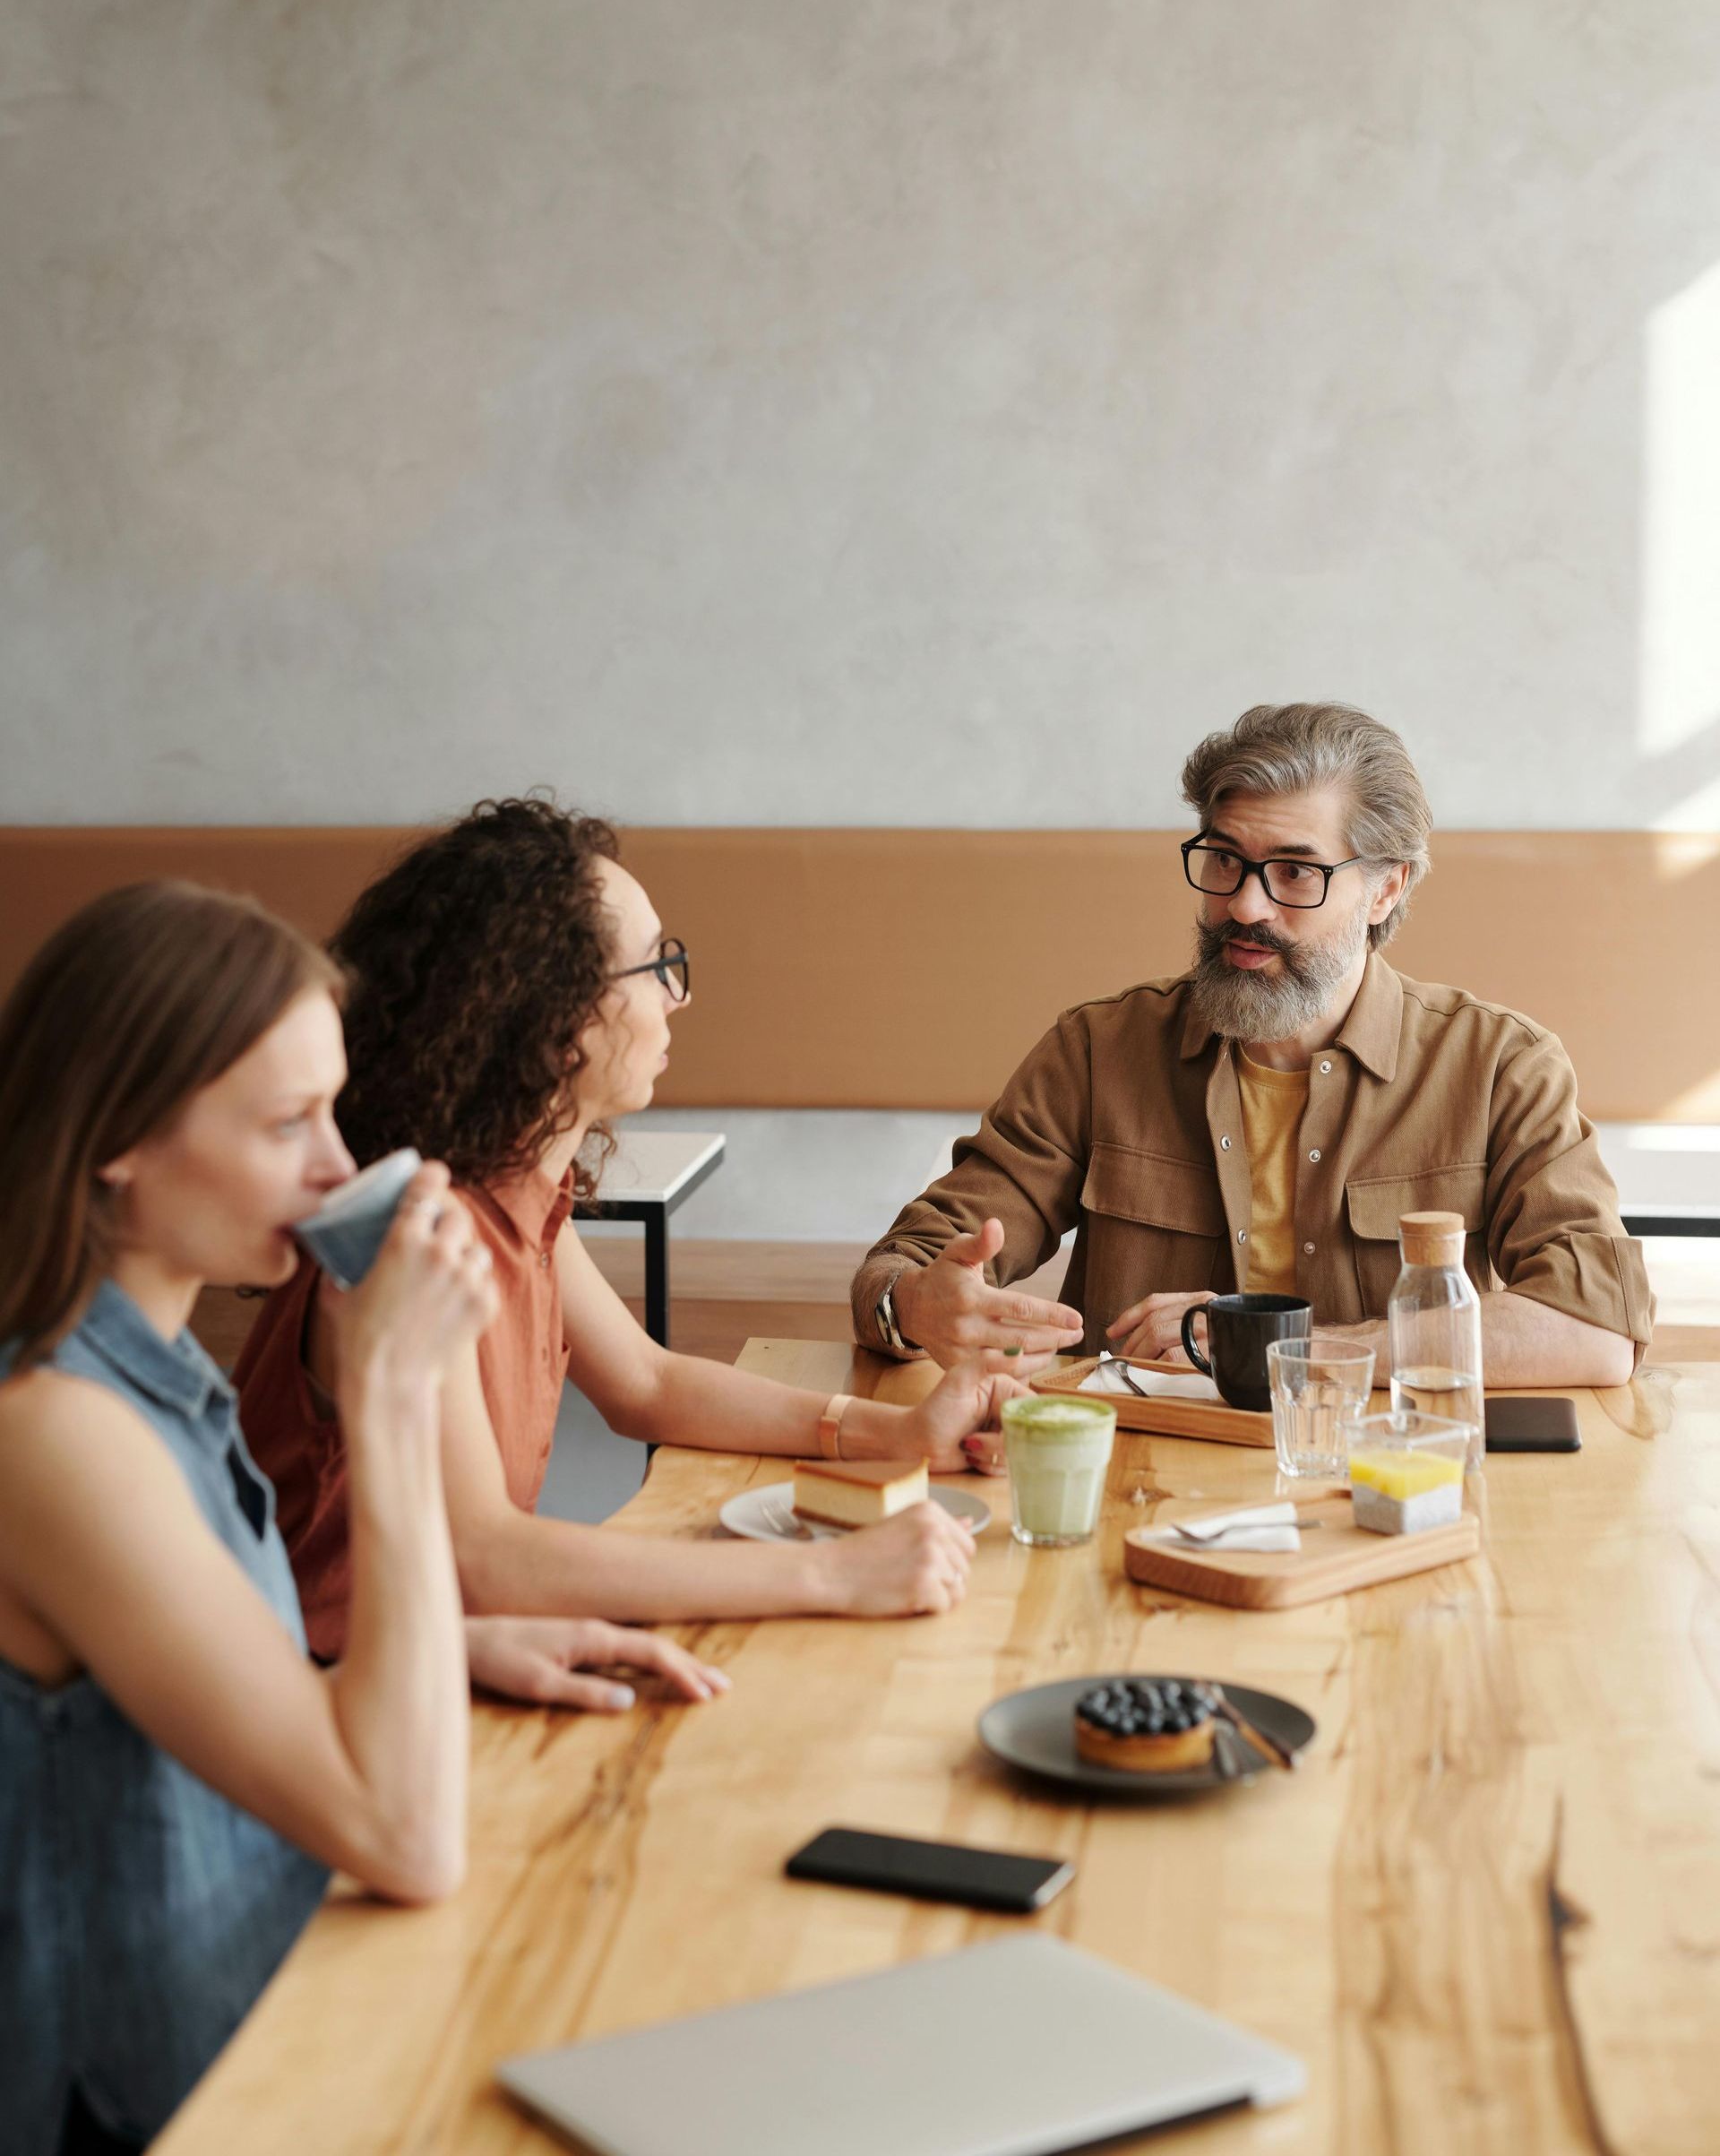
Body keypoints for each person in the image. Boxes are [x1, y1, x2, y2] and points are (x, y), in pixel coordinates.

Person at [0, 883, 724, 2156]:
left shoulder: (148, 1372)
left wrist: (411, 1653)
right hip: (173, 2100)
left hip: (277, 2012)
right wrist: (389, 1390)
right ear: (119, 1135)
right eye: (289, 1123)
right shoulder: (54, 1427)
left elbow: (143, 1707)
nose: (339, 1166)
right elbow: (402, 1834)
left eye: (334, 1109)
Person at [238, 799, 1004, 1660]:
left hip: (449, 1668)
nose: (680, 995)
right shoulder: (418, 1232)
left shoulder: (512, 1182)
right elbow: (487, 1558)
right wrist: (833, 1576)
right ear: (554, 1011)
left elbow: (645, 1383)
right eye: (655, 967)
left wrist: (899, 1435)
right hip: (329, 1709)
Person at [853, 702, 1653, 1386]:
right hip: (1134, 1481)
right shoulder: (1100, 1050)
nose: (1244, 906)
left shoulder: (1498, 1068)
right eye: (1226, 860)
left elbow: (1596, 1328)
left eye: (1296, 874)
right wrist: (915, 1306)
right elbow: (907, 1267)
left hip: (1385, 1478)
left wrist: (1287, 1349)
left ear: (1386, 887)